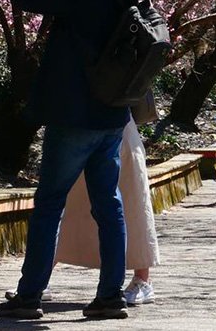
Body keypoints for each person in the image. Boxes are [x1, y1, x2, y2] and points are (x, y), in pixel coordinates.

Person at [0, 0, 144, 321]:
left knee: (49, 204)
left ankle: (29, 296)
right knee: (108, 205)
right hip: (112, 115)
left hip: (75, 115)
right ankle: (110, 295)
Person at [54, 120, 160, 306]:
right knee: (70, 201)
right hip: (80, 120)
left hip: (118, 118)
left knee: (131, 198)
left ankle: (142, 280)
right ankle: (38, 278)